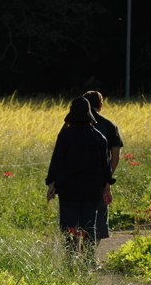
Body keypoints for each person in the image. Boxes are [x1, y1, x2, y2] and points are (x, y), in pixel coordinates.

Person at [46, 98, 113, 254]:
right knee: (89, 225)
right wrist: (107, 188)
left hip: (69, 187)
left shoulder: (65, 135)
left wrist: (51, 184)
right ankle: (88, 260)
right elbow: (106, 166)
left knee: (69, 225)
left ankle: (71, 257)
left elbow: (57, 161)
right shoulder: (99, 137)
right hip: (92, 187)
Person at [82, 90, 123, 241]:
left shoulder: (70, 125)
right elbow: (115, 156)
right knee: (98, 216)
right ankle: (89, 256)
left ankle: (74, 256)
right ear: (101, 105)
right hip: (99, 178)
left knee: (77, 215)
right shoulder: (110, 126)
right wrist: (107, 181)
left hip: (75, 178)